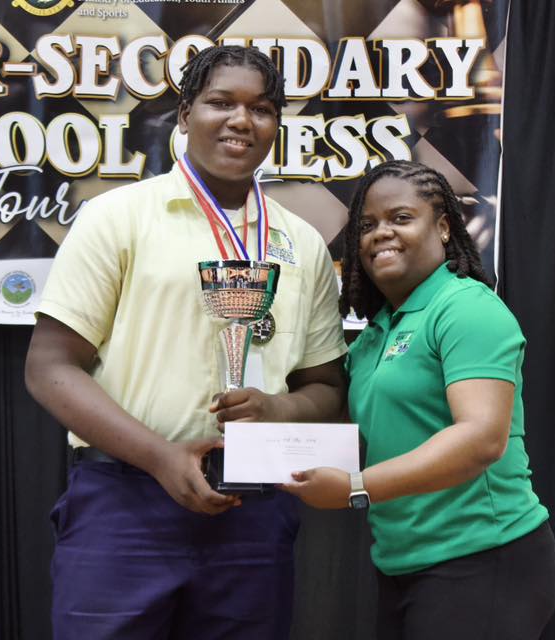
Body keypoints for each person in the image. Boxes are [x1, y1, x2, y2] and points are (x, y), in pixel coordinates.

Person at [24, 45, 347, 640]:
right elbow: (49, 368)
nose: (242, 120)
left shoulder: (302, 243)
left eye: (262, 109)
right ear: (185, 114)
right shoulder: (116, 216)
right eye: (221, 102)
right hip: (125, 499)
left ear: (276, 125)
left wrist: (278, 409)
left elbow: (327, 386)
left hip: (252, 509)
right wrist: (159, 457)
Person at [281, 160, 555, 639]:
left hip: (483, 559)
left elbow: (481, 439)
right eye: (367, 225)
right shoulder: (376, 334)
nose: (380, 234)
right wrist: (259, 416)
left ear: (444, 227)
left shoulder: (466, 307)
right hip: (403, 564)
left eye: (401, 218)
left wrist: (354, 487)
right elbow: (338, 422)